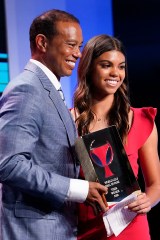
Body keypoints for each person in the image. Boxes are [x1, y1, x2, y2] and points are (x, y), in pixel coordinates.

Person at [0, 10, 108, 240]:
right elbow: (9, 164)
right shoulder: (27, 89)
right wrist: (78, 190)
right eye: (71, 45)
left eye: (79, 46)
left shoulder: (48, 89)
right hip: (33, 231)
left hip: (57, 227)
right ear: (42, 42)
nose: (78, 54)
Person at [71, 34, 160, 240]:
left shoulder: (141, 120)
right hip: (84, 230)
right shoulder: (67, 121)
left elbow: (155, 185)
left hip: (131, 229)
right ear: (88, 68)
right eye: (106, 65)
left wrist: (148, 200)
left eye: (121, 66)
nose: (115, 73)